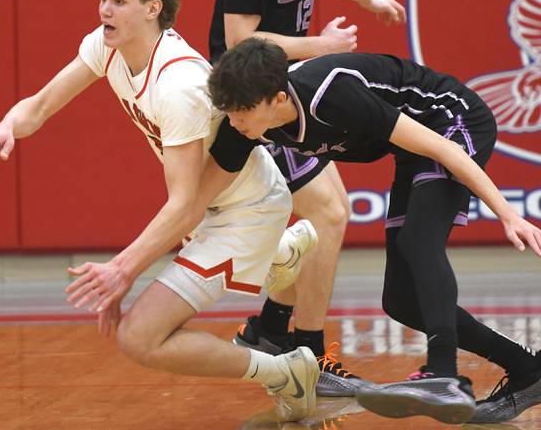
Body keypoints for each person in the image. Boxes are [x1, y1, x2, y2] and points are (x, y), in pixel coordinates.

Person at [0, 0, 322, 421]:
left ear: (153, 8)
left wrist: (121, 272)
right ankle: (278, 256)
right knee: (147, 321)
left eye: (118, 1)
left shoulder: (178, 86)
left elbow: (182, 205)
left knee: (140, 337)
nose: (103, 10)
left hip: (243, 209)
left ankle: (284, 371)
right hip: (209, 206)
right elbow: (43, 105)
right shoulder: (106, 47)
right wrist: (8, 123)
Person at [206, 37, 541, 424]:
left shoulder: (332, 95)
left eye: (243, 111)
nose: (235, 122)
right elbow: (201, 191)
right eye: (229, 112)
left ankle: (443, 373)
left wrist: (506, 213)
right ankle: (527, 370)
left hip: (452, 120)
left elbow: (443, 149)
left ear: (278, 99)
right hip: (413, 148)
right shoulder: (243, 123)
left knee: (418, 240)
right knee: (400, 300)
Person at [207, 0, 407, 397]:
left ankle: (269, 328)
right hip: (251, 98)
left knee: (328, 217)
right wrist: (319, 46)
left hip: (288, 88)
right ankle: (309, 355)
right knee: (330, 216)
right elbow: (241, 38)